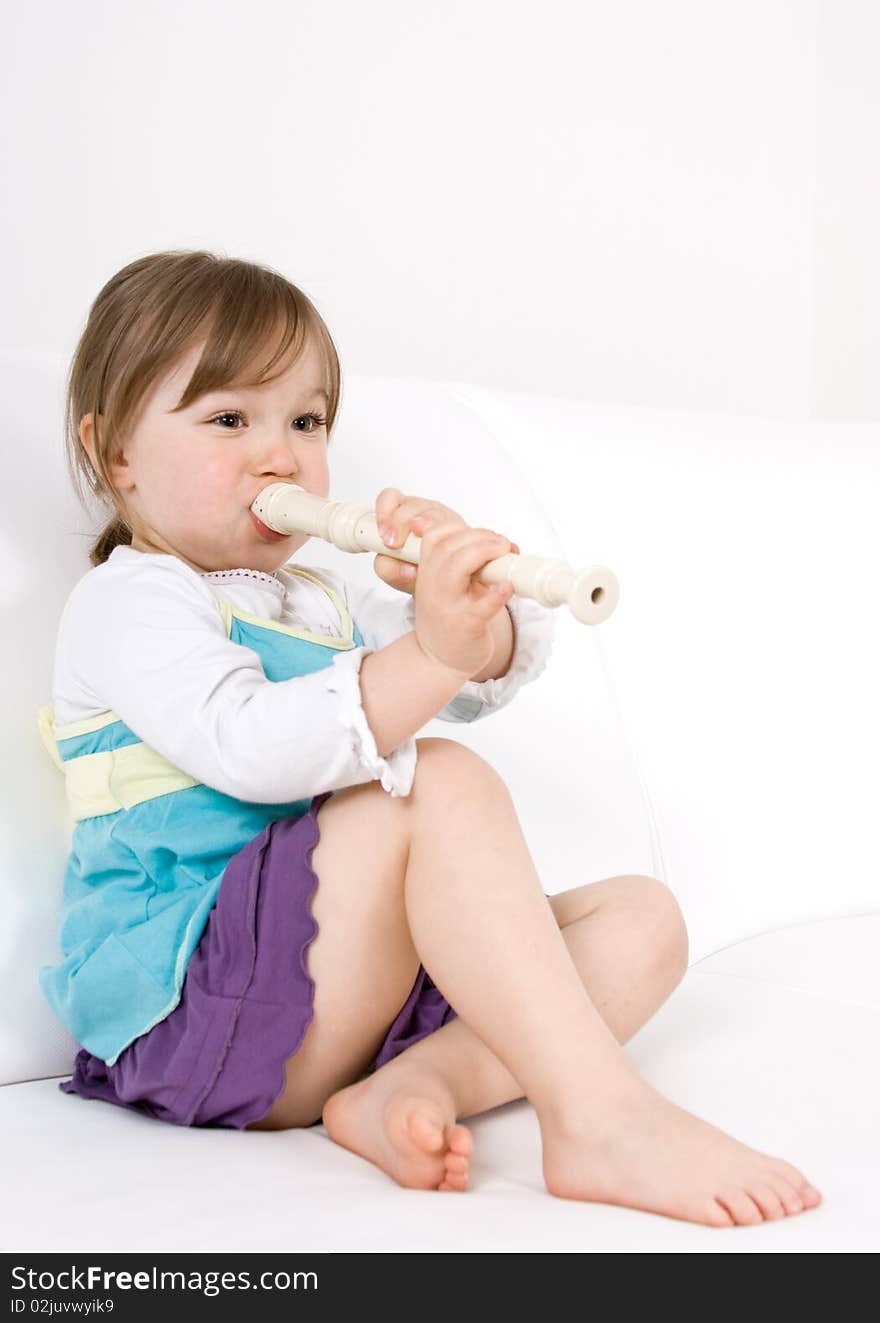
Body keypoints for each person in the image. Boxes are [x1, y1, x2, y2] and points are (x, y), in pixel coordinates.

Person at [38, 250, 821, 1228]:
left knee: (644, 917)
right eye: (230, 418)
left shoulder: (314, 597)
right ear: (116, 455)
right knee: (438, 782)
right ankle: (600, 1115)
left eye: (306, 420)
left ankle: (412, 1089)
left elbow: (473, 678)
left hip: (335, 1000)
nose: (279, 453)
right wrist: (428, 657)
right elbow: (255, 746)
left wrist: (458, 595)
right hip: (196, 1007)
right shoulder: (131, 603)